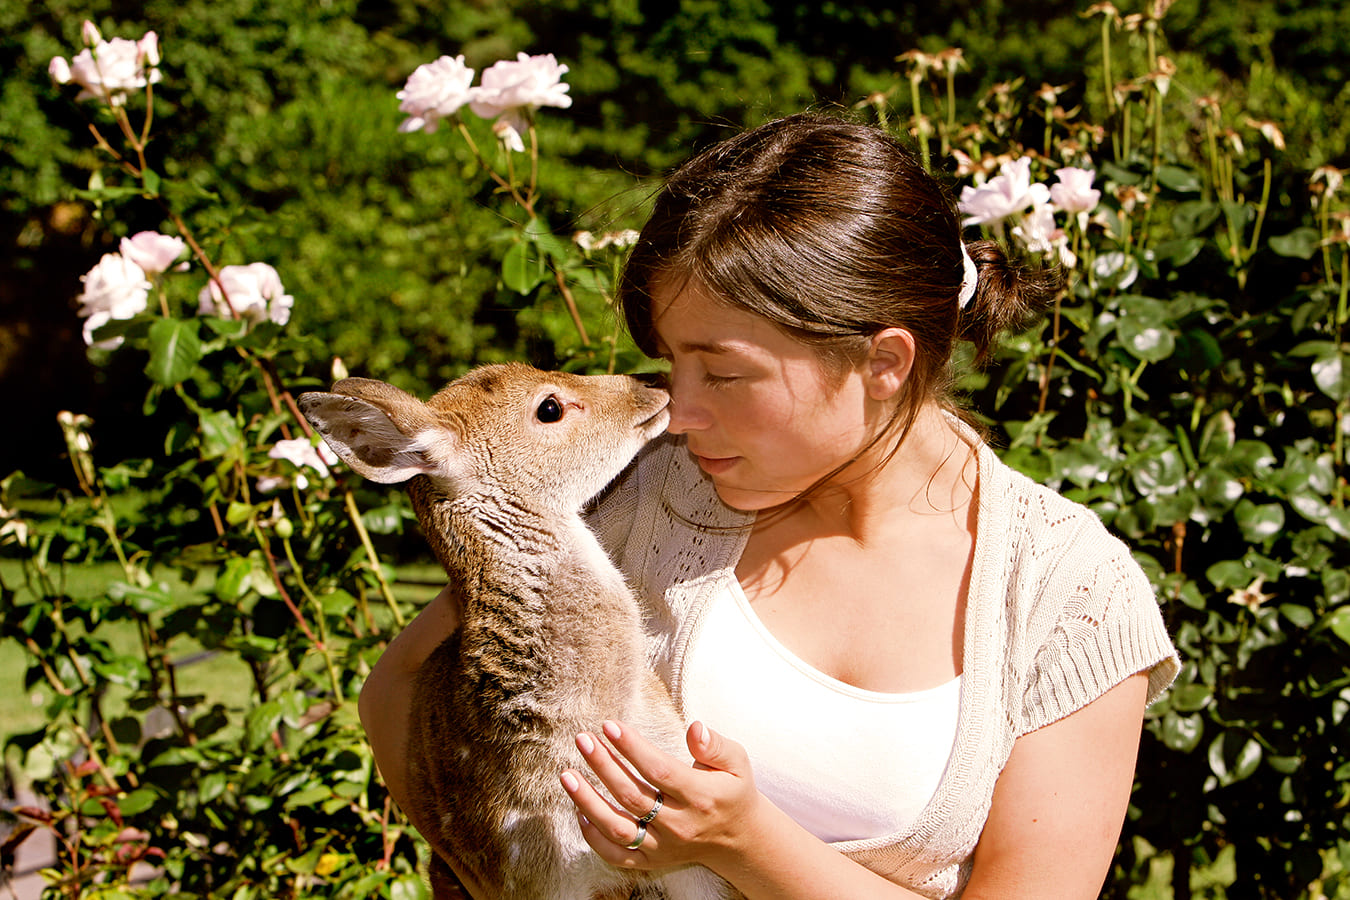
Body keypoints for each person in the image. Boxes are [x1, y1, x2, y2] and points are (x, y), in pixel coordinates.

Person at [359, 112, 1180, 899]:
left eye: (724, 374)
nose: (677, 410)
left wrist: (746, 844)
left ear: (882, 360)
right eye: (674, 363)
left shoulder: (1072, 597)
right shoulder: (635, 498)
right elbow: (397, 689)